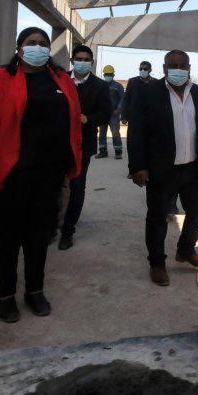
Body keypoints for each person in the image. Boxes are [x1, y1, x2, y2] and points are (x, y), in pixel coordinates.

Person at [0, 27, 83, 323]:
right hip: (10, 174)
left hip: (49, 173)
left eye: (43, 44)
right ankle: (5, 295)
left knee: (39, 234)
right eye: (31, 43)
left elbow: (73, 122)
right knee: (8, 236)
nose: (38, 47)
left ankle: (35, 290)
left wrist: (71, 162)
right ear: (19, 49)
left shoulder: (62, 80)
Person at [128, 50, 198, 287]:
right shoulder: (149, 93)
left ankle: (186, 250)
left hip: (193, 166)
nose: (178, 69)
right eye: (173, 65)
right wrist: (138, 165)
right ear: (165, 68)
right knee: (157, 216)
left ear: (189, 67)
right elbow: (136, 132)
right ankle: (157, 263)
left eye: (182, 65)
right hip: (161, 168)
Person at [59, 44, 111, 250]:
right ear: (72, 61)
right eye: (78, 59)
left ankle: (67, 231)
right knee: (51, 185)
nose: (82, 62)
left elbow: (106, 113)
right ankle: (49, 226)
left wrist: (87, 118)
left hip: (83, 144)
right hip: (56, 143)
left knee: (77, 186)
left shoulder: (100, 86)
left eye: (86, 59)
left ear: (91, 62)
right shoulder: (60, 80)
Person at [96, 64, 125, 159]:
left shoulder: (118, 86)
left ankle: (118, 152)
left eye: (109, 74)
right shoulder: (100, 85)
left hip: (114, 114)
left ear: (113, 75)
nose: (108, 75)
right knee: (102, 133)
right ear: (104, 74)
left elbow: (122, 98)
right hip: (103, 113)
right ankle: (103, 151)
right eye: (106, 74)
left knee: (115, 133)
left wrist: (119, 109)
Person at [119, 60, 154, 124]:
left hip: (150, 119)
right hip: (134, 118)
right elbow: (126, 99)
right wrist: (124, 116)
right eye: (140, 69)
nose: (142, 70)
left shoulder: (156, 83)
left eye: (145, 69)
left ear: (150, 70)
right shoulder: (132, 82)